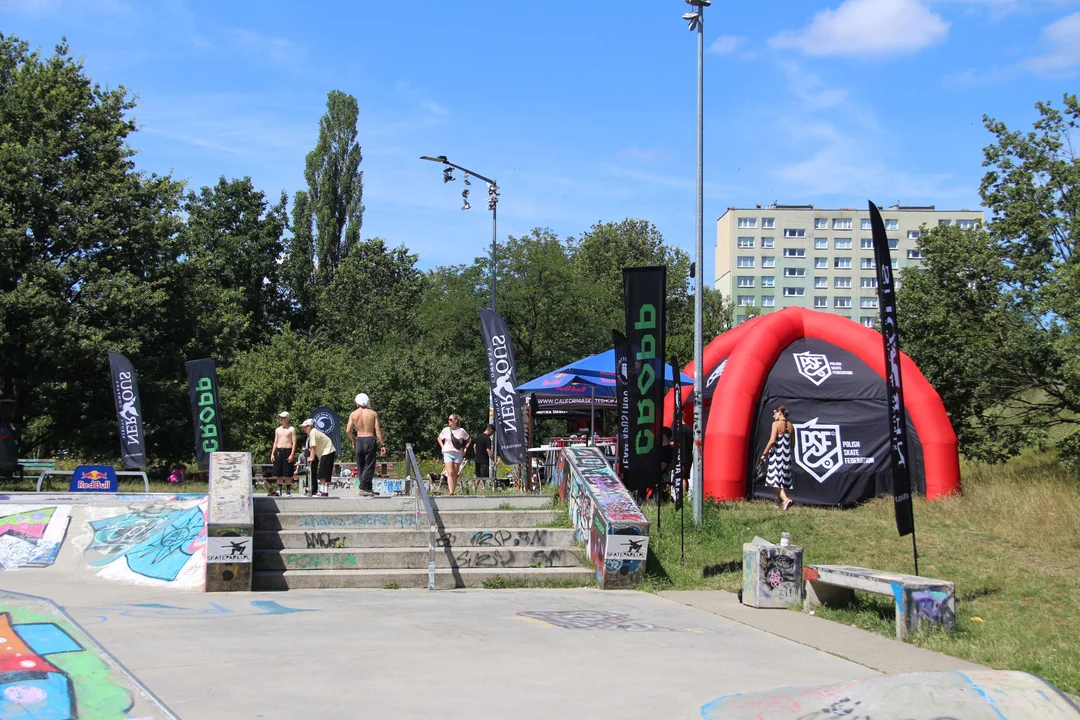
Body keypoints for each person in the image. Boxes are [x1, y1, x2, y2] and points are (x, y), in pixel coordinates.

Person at [345, 393, 386, 496]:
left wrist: (353, 440)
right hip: (369, 439)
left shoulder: (353, 414)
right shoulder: (373, 413)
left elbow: (348, 430)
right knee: (369, 465)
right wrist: (382, 445)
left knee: (361, 465)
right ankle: (363, 487)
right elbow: (378, 430)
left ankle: (367, 488)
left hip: (359, 439)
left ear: (357, 402)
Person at [760, 405, 794, 510]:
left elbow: (772, 440)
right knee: (781, 480)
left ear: (780, 413)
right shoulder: (790, 425)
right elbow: (793, 443)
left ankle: (786, 500)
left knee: (775, 480)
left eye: (775, 412)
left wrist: (764, 454)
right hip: (787, 455)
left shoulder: (776, 424)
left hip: (777, 455)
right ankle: (780, 504)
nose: (773, 415)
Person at [301, 418, 337, 498]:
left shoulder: (313, 433)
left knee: (323, 472)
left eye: (305, 427)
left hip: (327, 451)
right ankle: (325, 492)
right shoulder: (314, 432)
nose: (304, 428)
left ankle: (321, 491)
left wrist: (311, 458)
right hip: (329, 451)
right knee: (326, 472)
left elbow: (313, 447)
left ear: (310, 426)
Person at [437, 414, 470, 495]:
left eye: (451, 419)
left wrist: (465, 449)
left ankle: (453, 490)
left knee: (455, 473)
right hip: (448, 452)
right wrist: (442, 447)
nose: (449, 421)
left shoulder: (461, 431)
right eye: (448, 419)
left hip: (458, 453)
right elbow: (439, 438)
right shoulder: (446, 430)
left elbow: (469, 439)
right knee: (450, 472)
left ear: (455, 421)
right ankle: (451, 491)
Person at [268, 411, 297, 497]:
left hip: (287, 450)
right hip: (278, 451)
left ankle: (288, 490)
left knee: (288, 473)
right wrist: (272, 453)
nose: (281, 419)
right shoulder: (277, 429)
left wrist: (292, 454)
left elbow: (294, 442)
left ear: (287, 419)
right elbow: (275, 442)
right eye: (280, 417)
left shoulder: (292, 429)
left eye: (283, 417)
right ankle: (279, 490)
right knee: (278, 472)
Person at [473, 424, 495, 489]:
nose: (492, 434)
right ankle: (481, 490)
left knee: (478, 476)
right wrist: (493, 460)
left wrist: (477, 454)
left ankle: (475, 488)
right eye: (492, 432)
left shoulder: (478, 436)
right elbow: (488, 450)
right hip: (484, 460)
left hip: (477, 459)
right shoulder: (487, 438)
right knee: (483, 477)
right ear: (490, 430)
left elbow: (474, 446)